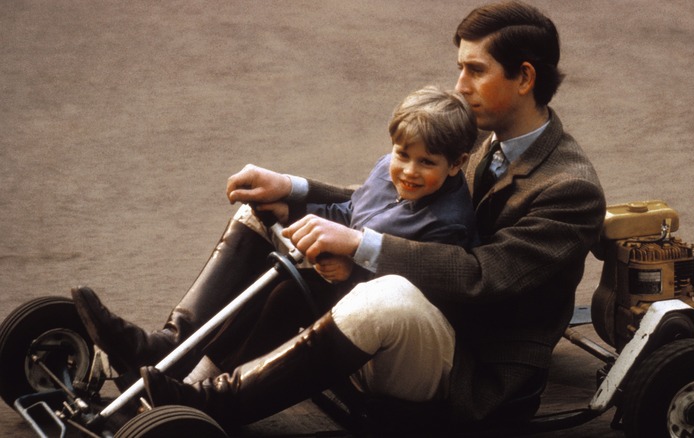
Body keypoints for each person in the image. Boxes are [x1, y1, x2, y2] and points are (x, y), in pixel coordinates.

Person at [81, 0, 607, 429]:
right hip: (430, 322)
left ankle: (217, 403)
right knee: (265, 215)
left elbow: (484, 277)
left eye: (475, 70)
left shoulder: (570, 188)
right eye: (458, 69)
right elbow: (389, 201)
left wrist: (358, 245)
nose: (459, 86)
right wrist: (290, 189)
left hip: (474, 366)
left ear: (524, 77)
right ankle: (169, 351)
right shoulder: (482, 143)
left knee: (385, 294)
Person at [71, 85, 478, 381]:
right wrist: (288, 208)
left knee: (282, 296)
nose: (408, 170)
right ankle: (165, 348)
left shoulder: (446, 223)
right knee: (262, 236)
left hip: (367, 313)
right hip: (331, 273)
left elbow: (412, 290)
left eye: (426, 163)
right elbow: (347, 212)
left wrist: (352, 272)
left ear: (456, 164)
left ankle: (201, 381)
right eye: (402, 155)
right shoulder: (385, 173)